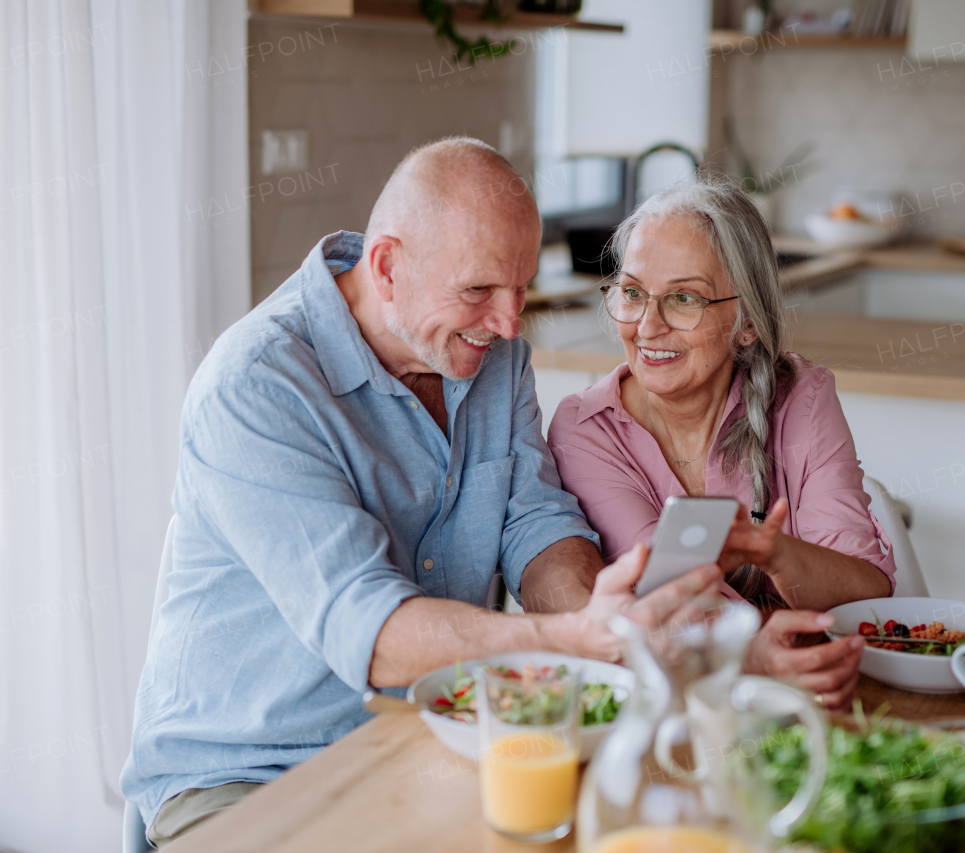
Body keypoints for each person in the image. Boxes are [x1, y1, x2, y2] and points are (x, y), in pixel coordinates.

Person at [121, 138, 721, 847]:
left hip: (427, 737)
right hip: (245, 775)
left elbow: (536, 526)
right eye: (479, 291)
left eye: (520, 287)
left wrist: (607, 618)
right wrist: (567, 638)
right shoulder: (257, 384)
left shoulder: (492, 356)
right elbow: (369, 629)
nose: (507, 321)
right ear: (386, 267)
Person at [548, 179, 897, 711]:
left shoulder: (803, 396)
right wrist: (760, 649)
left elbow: (866, 598)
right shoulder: (587, 428)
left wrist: (777, 553)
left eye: (684, 298)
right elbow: (670, 600)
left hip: (818, 696)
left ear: (748, 323)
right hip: (679, 704)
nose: (648, 326)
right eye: (633, 293)